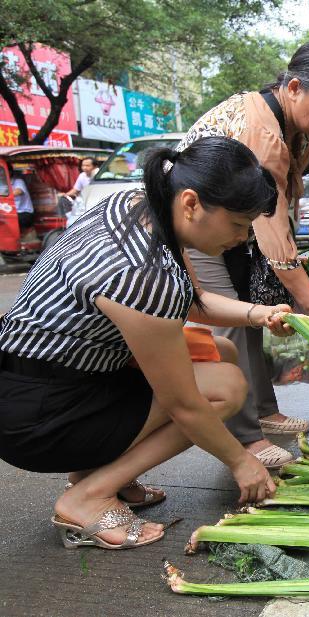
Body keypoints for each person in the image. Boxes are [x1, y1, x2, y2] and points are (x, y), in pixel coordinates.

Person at [0, 137, 292, 549]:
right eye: (238, 225)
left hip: (31, 382)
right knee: (223, 389)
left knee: (222, 353)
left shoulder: (136, 206)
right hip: (39, 418)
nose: (243, 239)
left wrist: (259, 313)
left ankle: (94, 473)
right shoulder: (145, 274)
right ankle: (87, 496)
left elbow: (194, 301)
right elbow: (184, 406)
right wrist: (242, 462)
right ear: (191, 204)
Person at [179, 41, 309, 469]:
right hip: (197, 224)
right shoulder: (265, 132)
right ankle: (242, 437)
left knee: (257, 316)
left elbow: (279, 210)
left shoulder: (292, 127)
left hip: (228, 228)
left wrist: (295, 273)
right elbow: (270, 223)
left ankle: (262, 410)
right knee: (234, 320)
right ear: (294, 87)